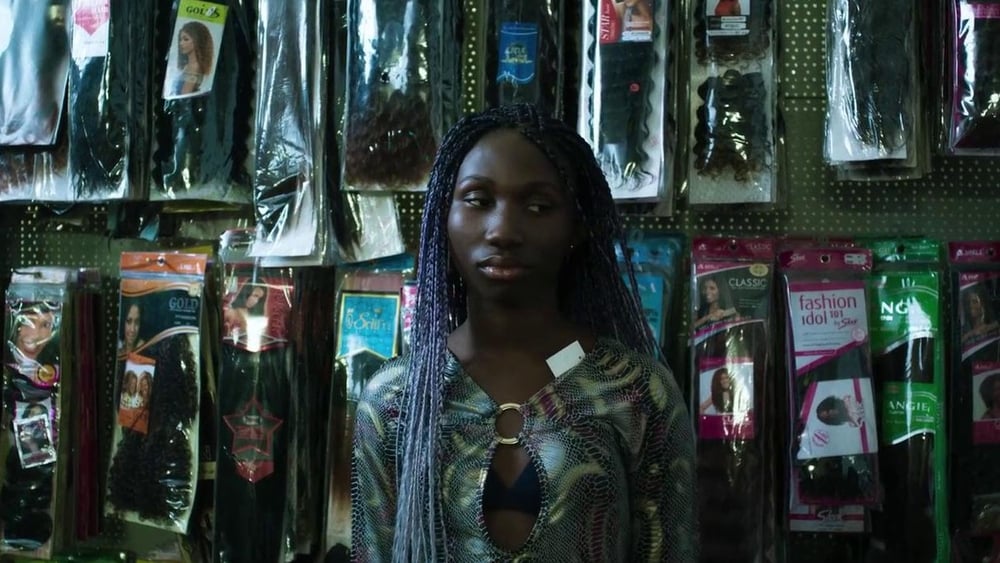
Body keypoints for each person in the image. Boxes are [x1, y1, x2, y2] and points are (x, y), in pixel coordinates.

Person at [352, 104, 696, 561]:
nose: (503, 231)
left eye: (537, 207)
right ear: (444, 216)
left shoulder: (635, 391)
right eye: (478, 200)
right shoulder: (395, 399)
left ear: (576, 225)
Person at [172, 21, 214, 96]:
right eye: (180, 39)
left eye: (186, 39)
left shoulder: (194, 68)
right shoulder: (188, 65)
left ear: (197, 41)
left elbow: (184, 95)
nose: (181, 43)